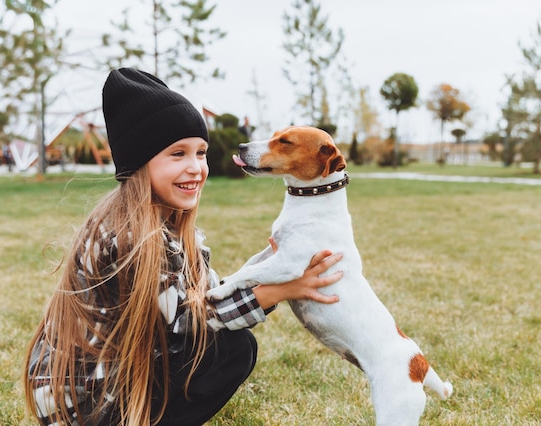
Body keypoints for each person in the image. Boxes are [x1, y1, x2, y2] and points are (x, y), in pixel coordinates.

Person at [23, 68, 342, 426]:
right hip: (88, 407)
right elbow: (189, 324)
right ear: (140, 163)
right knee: (229, 351)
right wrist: (281, 290)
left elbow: (206, 298)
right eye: (178, 154)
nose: (196, 168)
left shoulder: (168, 227)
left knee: (228, 346)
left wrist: (272, 264)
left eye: (201, 153)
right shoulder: (130, 236)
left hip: (113, 386)